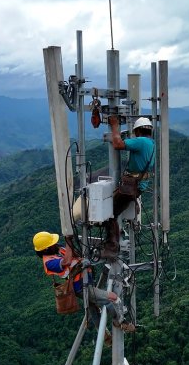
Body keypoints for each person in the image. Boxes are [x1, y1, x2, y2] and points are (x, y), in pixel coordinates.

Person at [33, 231, 134, 333]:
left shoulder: (56, 250)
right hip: (81, 287)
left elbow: (74, 254)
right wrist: (68, 241)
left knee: (93, 310)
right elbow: (66, 262)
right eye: (52, 244)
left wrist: (74, 246)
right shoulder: (49, 263)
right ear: (46, 249)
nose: (55, 244)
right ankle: (121, 321)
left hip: (86, 280)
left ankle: (106, 337)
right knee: (112, 297)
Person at [103, 116, 155, 257]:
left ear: (137, 131)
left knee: (109, 213)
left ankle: (111, 247)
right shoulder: (151, 143)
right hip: (138, 185)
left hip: (131, 186)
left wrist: (115, 126)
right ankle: (133, 202)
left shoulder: (141, 142)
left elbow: (118, 144)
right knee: (117, 207)